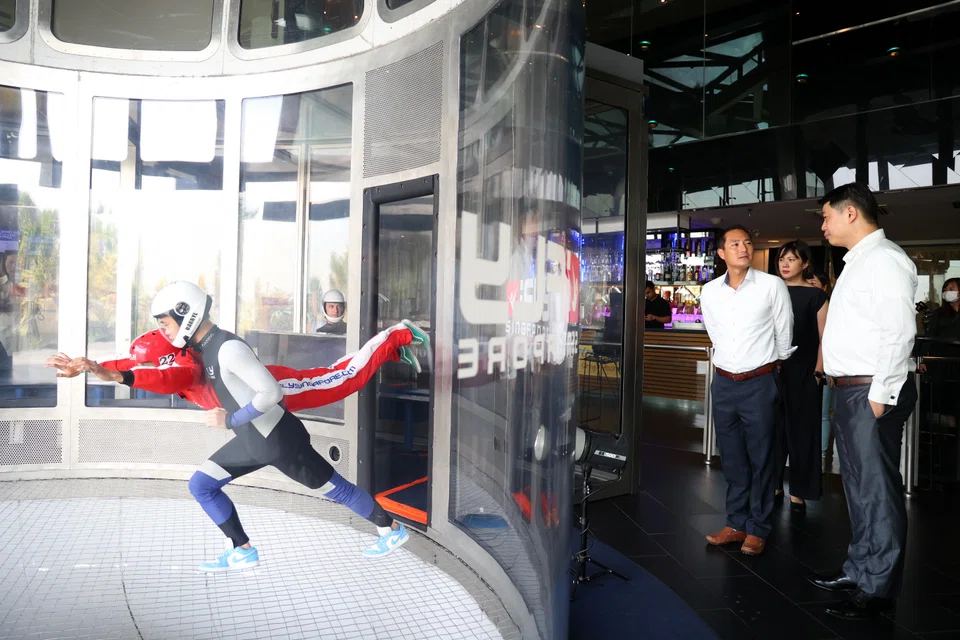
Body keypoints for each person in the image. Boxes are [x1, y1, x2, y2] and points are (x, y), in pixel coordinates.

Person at [150, 282, 413, 570]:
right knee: (202, 484)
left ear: (185, 313)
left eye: (166, 324)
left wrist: (230, 420)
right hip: (254, 442)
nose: (165, 332)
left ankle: (391, 530)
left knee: (339, 490)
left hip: (279, 443)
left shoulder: (226, 348)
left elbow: (271, 393)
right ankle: (242, 549)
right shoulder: (208, 348)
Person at [808, 183, 918, 620]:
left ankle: (878, 588)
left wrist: (880, 395)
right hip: (852, 388)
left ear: (851, 213)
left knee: (876, 491)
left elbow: (898, 332)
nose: (823, 225)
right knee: (857, 488)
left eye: (826, 216)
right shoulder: (860, 261)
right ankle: (860, 569)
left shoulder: (886, 260)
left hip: (872, 389)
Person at [46, 320, 427, 412]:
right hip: (258, 389)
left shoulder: (182, 369)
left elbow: (156, 377)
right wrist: (90, 365)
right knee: (333, 375)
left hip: (266, 389)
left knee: (342, 382)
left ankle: (396, 335)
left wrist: (111, 375)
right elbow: (133, 363)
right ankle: (391, 351)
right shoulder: (166, 356)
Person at [700, 225, 795, 556]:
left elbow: (784, 336)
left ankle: (758, 528)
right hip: (724, 382)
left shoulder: (771, 286)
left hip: (760, 382)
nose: (743, 247)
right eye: (735, 243)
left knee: (763, 457)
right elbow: (714, 333)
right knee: (734, 459)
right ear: (722, 253)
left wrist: (769, 364)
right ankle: (735, 523)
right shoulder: (709, 291)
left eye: (748, 242)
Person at [774, 241, 829, 510]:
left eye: (792, 259)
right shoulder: (771, 291)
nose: (785, 264)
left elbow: (825, 338)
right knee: (772, 432)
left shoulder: (816, 296)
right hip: (771, 372)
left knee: (803, 433)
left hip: (805, 372)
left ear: (805, 264)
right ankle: (772, 484)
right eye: (782, 259)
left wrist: (818, 373)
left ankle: (799, 490)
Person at [809, 272, 834, 460]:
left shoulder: (832, 308)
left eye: (814, 282)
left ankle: (822, 453)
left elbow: (829, 340)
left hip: (824, 367)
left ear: (825, 287)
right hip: (805, 367)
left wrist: (825, 369)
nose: (809, 284)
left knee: (823, 413)